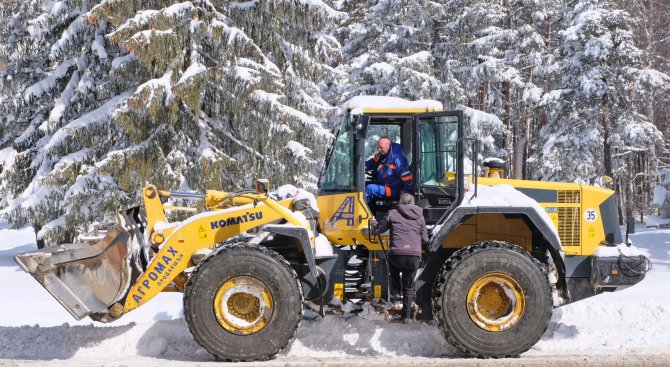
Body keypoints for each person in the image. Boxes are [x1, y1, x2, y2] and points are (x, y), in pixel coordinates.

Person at [371, 193, 428, 324]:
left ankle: (396, 293)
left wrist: (372, 221)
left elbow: (378, 229)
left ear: (400, 202)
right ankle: (406, 317)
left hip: (397, 255)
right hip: (414, 256)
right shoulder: (420, 216)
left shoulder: (392, 213)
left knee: (394, 270)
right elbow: (425, 239)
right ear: (413, 203)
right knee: (409, 286)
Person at [364, 136, 412, 203]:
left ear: (388, 146)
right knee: (363, 185)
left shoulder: (398, 160)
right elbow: (372, 162)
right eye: (378, 147)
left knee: (370, 188)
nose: (379, 150)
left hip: (393, 189)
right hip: (382, 184)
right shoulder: (382, 154)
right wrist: (363, 166)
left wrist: (406, 191)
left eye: (381, 148)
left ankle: (360, 212)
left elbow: (407, 178)